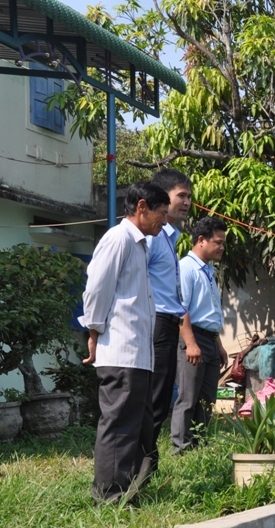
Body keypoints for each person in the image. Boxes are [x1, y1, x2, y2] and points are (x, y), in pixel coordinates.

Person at [79, 182, 169, 503]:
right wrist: (93, 331)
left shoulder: (141, 245)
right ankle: (108, 497)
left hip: (138, 354)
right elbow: (97, 289)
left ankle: (136, 489)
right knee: (119, 426)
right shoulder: (118, 239)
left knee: (141, 426)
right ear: (142, 207)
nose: (165, 221)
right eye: (161, 214)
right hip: (121, 351)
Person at [145, 169, 193, 469]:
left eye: (189, 196)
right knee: (153, 399)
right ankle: (140, 466)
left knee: (161, 400)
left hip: (166, 322)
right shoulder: (152, 237)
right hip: (155, 321)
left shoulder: (169, 237)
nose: (187, 202)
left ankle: (147, 465)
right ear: (164, 198)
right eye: (181, 196)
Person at [171, 216, 228, 453]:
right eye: (218, 242)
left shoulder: (208, 271)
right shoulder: (187, 268)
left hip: (210, 340)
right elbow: (180, 309)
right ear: (201, 240)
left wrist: (220, 344)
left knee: (207, 400)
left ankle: (199, 446)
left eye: (223, 243)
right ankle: (181, 448)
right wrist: (191, 343)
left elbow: (209, 312)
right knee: (188, 398)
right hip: (193, 339)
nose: (222, 247)